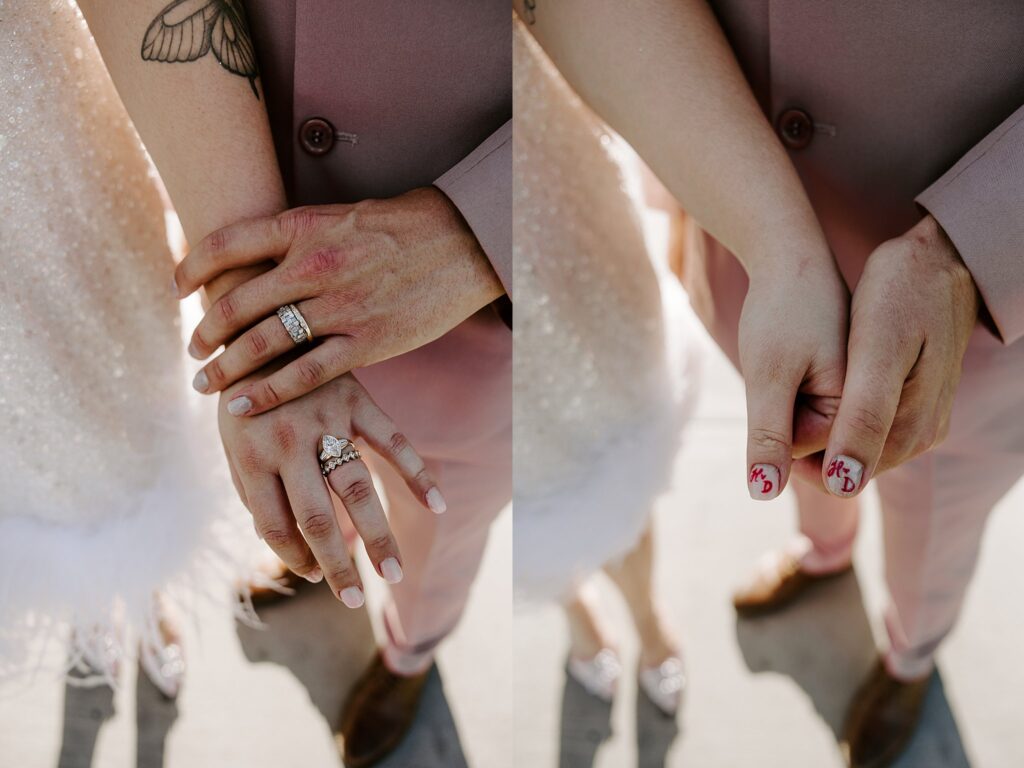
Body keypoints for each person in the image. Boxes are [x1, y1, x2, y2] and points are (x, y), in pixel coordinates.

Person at [522, 2, 1024, 767]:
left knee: (938, 522)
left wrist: (974, 245)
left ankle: (910, 658)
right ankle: (824, 553)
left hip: (986, 316)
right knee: (801, 448)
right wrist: (776, 243)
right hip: (750, 247)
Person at [79, 2, 512, 765]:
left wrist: (481, 229)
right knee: (311, 476)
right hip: (245, 203)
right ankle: (326, 542)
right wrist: (254, 295)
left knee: (440, 523)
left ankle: (410, 655)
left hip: (482, 326)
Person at [0, 0, 243, 699]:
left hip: (56, 151)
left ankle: (146, 582)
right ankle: (90, 598)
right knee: (24, 443)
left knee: (124, 384)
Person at [513, 19, 701, 716]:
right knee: (517, 493)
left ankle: (646, 618)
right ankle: (578, 615)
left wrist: (685, 183)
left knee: (614, 446)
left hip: (552, 190)